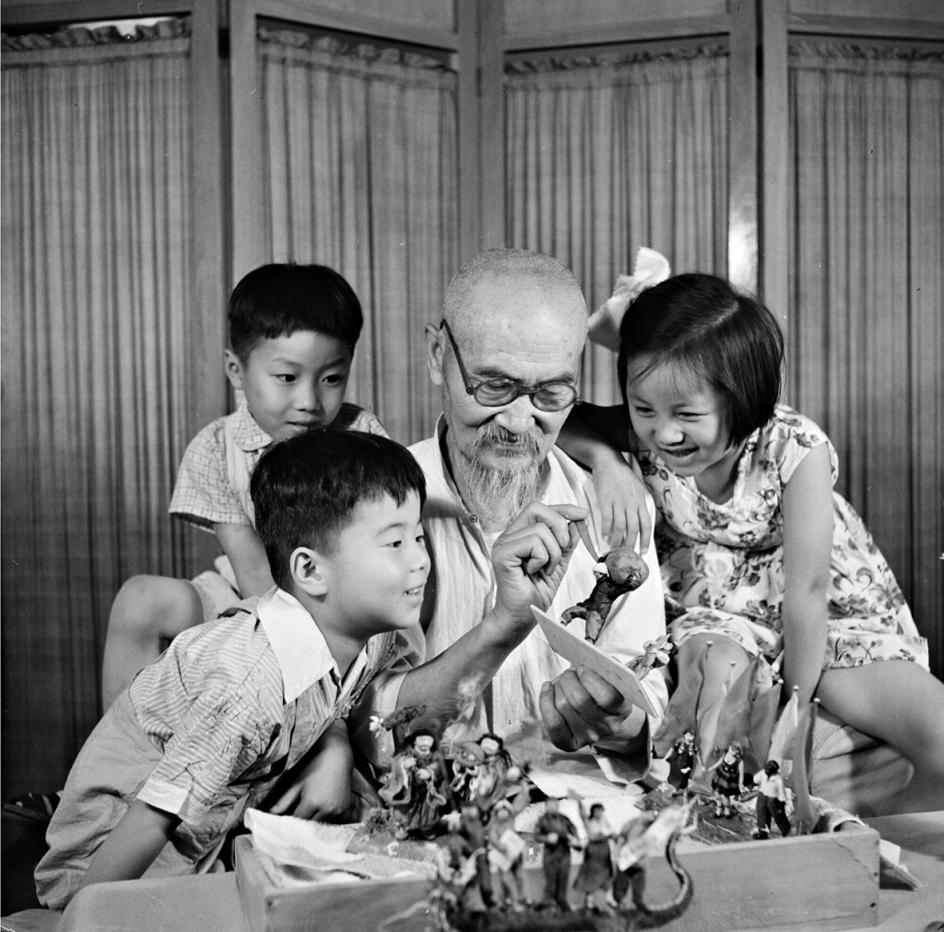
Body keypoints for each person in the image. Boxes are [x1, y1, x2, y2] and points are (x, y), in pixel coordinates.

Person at [574, 272, 944, 813]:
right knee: (713, 693)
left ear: (743, 402)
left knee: (935, 732)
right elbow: (563, 422)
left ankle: (892, 835)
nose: (664, 433)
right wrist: (608, 462)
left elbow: (808, 594)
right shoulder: (648, 433)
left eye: (688, 415)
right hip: (715, 608)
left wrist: (794, 705)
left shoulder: (796, 449)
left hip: (822, 610)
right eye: (643, 408)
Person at [34, 429, 429, 910]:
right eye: (395, 543)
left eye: (419, 536)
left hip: (214, 828)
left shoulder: (375, 634)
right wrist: (82, 913)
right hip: (119, 850)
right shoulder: (246, 686)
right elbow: (155, 813)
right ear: (309, 571)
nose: (421, 560)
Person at [357, 248, 668, 783]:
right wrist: (501, 628)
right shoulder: (373, 507)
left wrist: (620, 723)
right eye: (494, 386)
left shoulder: (616, 508)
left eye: (552, 392)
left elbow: (648, 704)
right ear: (437, 355)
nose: (520, 422)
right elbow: (366, 727)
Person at [100, 263, 387, 712]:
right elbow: (251, 567)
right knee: (140, 598)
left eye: (331, 378)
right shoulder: (217, 447)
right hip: (251, 598)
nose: (309, 401)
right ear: (236, 370)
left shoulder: (362, 439)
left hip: (342, 608)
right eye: (287, 378)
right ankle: (120, 749)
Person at [534, 797, 578, 911]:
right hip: (550, 852)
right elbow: (536, 836)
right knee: (550, 878)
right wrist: (546, 838)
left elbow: (573, 830)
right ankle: (547, 901)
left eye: (555, 804)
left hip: (564, 852)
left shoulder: (564, 819)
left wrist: (574, 839)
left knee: (563, 877)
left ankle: (561, 900)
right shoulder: (542, 820)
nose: (553, 807)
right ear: (546, 806)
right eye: (550, 805)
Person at [572, 798, 614, 912]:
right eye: (597, 811)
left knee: (607, 876)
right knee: (590, 877)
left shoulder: (605, 821)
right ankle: (589, 902)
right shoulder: (589, 822)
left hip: (604, 851)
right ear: (593, 812)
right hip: (593, 851)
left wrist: (612, 836)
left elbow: (611, 833)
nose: (599, 813)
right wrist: (579, 802)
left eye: (601, 811)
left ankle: (609, 900)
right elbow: (583, 816)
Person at [753, 760, 791, 838]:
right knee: (762, 814)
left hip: (773, 798)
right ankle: (763, 832)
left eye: (770, 770)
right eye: (767, 769)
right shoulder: (763, 773)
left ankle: (786, 830)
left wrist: (782, 802)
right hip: (763, 795)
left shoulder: (778, 778)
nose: (767, 771)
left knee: (778, 815)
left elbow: (781, 791)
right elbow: (755, 779)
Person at [708, 741, 746, 818]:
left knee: (726, 796)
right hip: (720, 776)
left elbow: (741, 774)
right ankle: (718, 808)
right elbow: (720, 761)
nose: (730, 750)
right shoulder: (726, 753)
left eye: (733, 750)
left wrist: (740, 784)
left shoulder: (739, 761)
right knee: (717, 793)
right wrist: (712, 767)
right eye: (730, 748)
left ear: (737, 752)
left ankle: (727, 810)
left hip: (728, 780)